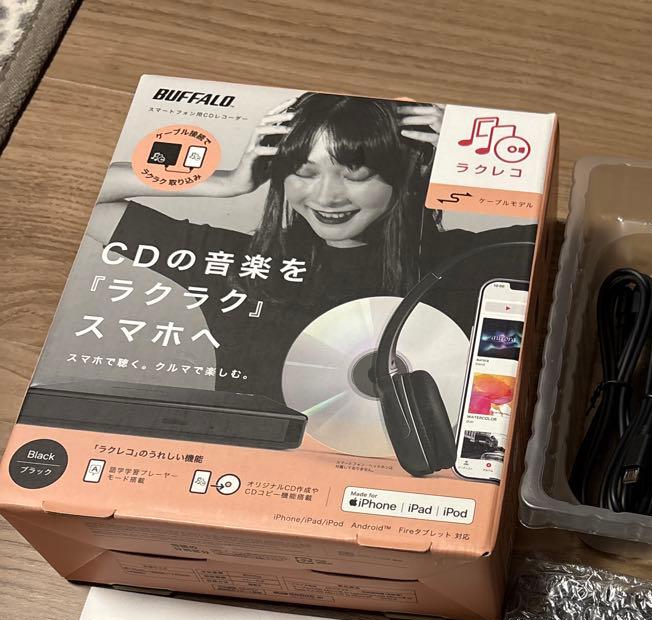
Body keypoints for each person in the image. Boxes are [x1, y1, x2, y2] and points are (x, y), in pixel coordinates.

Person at [90, 93, 536, 402]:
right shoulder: (241, 265)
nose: (326, 197)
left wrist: (472, 164)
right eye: (304, 172)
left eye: (356, 173)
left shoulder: (479, 261)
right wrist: (228, 183)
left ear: (407, 172)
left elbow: (565, 247)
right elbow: (87, 197)